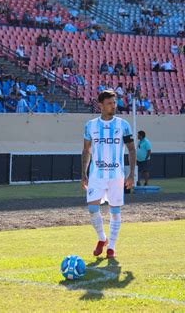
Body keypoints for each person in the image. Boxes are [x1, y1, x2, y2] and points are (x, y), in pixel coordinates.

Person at [81, 90, 136, 259]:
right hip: (96, 175)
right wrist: (84, 173)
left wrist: (131, 174)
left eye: (114, 102)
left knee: (115, 211)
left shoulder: (123, 125)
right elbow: (86, 150)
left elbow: (132, 150)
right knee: (92, 208)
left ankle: (111, 246)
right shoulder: (90, 126)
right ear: (101, 105)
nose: (113, 106)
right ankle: (102, 238)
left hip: (116, 175)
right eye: (110, 103)